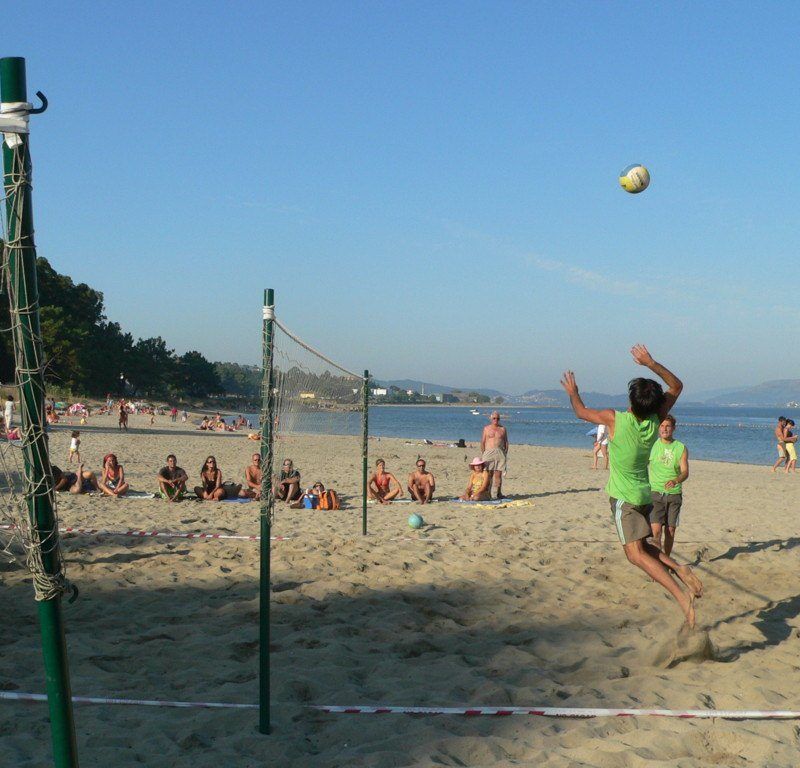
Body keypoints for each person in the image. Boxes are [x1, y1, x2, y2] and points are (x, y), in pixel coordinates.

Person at [560, 344, 703, 628]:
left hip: (624, 498)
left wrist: (573, 393)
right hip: (644, 494)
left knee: (634, 554)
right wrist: (650, 363)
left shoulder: (615, 419)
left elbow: (580, 412)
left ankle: (680, 596)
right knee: (644, 546)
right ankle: (678, 567)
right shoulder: (656, 419)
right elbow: (677, 385)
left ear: (631, 402)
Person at [648, 415, 688, 556]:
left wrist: (676, 480)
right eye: (662, 426)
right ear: (658, 428)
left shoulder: (680, 448)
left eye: (668, 426)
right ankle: (657, 563)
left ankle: (667, 560)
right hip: (655, 494)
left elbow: (685, 472)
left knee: (670, 531)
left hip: (674, 495)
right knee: (656, 532)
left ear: (673, 428)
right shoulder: (651, 445)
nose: (665, 429)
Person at [481, 411, 509, 499]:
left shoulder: (503, 429)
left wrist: (505, 453)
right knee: (488, 474)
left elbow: (506, 442)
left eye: (497, 418)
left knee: (498, 475)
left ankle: (498, 493)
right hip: (488, 452)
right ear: (490, 419)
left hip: (500, 452)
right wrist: (484, 453)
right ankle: (488, 493)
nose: (496, 420)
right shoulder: (486, 428)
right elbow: (483, 442)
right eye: (494, 418)